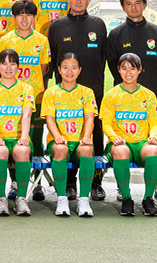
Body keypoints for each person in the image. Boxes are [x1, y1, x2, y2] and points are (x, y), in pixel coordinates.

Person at [106, 0, 157, 199]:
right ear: (123, 7)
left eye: (137, 3)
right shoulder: (116, 34)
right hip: (123, 100)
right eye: (128, 3)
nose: (133, 7)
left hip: (153, 95)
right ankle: (121, 186)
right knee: (121, 142)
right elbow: (113, 64)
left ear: (144, 4)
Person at [47, 0, 107, 200]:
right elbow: (53, 59)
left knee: (94, 134)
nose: (78, 0)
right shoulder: (57, 26)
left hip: (93, 89)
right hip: (65, 94)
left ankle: (96, 182)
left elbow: (103, 57)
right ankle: (70, 182)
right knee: (66, 135)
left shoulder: (98, 24)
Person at [0, 0, 50, 201]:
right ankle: (15, 182)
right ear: (14, 17)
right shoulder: (6, 40)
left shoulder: (42, 41)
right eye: (20, 14)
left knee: (35, 139)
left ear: (34, 17)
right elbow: (1, 69)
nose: (24, 18)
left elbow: (44, 69)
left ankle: (37, 183)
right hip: (10, 99)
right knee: (13, 138)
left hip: (35, 97)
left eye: (29, 15)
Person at [99, 53, 157, 217]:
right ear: (118, 70)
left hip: (141, 143)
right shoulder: (111, 95)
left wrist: (154, 136)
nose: (128, 72)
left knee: (153, 150)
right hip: (119, 143)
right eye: (124, 68)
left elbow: (155, 123)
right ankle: (127, 198)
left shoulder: (149, 95)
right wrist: (114, 138)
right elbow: (106, 124)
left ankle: (148, 199)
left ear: (139, 70)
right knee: (121, 151)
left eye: (132, 68)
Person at [40, 53, 98, 217]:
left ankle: (84, 200)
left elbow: (89, 118)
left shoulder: (87, 92)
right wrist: (57, 136)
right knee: (60, 149)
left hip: (79, 140)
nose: (69, 71)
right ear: (59, 70)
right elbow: (50, 119)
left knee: (86, 150)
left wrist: (86, 137)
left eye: (73, 68)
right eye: (65, 67)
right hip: (59, 141)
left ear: (79, 70)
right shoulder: (51, 93)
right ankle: (61, 198)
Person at [0, 49, 35, 217]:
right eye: (4, 63)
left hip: (18, 137)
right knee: (0, 151)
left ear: (18, 67)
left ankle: (21, 199)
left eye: (12, 63)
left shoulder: (26, 88)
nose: (8, 67)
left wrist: (24, 137)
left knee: (22, 151)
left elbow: (26, 115)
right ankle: (1, 199)